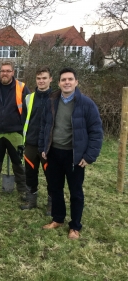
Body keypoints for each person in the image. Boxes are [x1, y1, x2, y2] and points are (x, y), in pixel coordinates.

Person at [39, 67, 103, 239]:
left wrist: (89, 156)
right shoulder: (51, 101)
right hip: (54, 153)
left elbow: (96, 132)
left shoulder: (86, 104)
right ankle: (58, 219)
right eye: (63, 80)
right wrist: (43, 148)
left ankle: (75, 226)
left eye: (70, 79)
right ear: (58, 83)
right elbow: (44, 127)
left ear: (76, 82)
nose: (67, 82)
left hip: (75, 156)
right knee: (55, 188)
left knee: (75, 191)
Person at [0, 61, 30, 196]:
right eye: (3, 71)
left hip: (15, 131)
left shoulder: (22, 88)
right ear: (0, 72)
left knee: (17, 162)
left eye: (8, 71)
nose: (5, 73)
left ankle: (22, 189)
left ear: (13, 72)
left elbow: (28, 108)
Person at [20, 67, 52, 212]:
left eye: (44, 78)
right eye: (39, 78)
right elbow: (23, 119)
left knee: (51, 175)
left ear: (50, 79)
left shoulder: (57, 97)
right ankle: (31, 200)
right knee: (30, 173)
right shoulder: (28, 98)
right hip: (31, 143)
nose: (41, 81)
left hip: (49, 145)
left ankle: (52, 204)